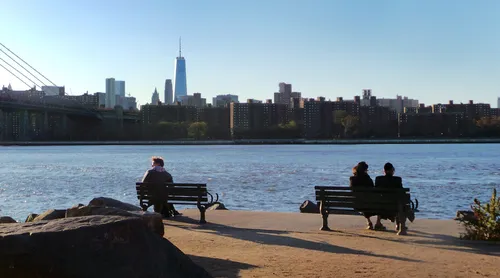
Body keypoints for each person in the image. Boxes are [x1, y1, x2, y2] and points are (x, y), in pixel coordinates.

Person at [374, 162, 403, 231]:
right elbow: (402, 193)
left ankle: (378, 223)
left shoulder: (378, 179)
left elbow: (375, 192)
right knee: (399, 202)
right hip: (395, 206)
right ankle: (398, 224)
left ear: (384, 171)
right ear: (392, 170)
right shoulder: (397, 180)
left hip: (380, 206)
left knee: (380, 201)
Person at [349, 161, 377, 230]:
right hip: (370, 204)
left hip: (357, 204)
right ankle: (378, 222)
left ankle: (369, 222)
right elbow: (373, 190)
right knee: (375, 200)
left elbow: (352, 191)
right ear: (365, 170)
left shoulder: (353, 179)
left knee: (362, 200)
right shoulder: (368, 179)